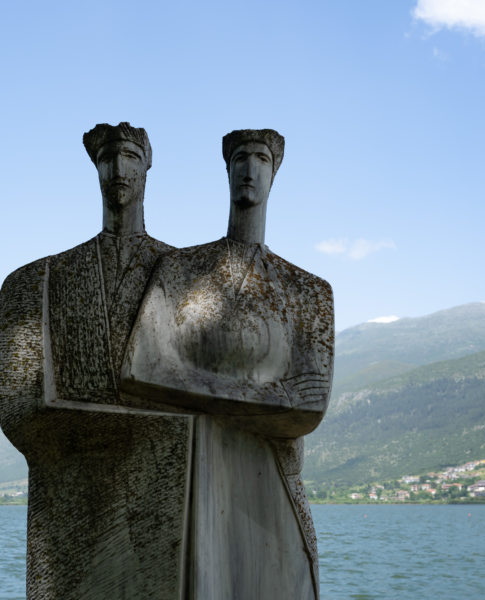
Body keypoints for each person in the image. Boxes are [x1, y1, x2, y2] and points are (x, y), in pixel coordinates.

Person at [122, 129, 334, 600]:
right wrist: (263, 395)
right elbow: (140, 368)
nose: (249, 169)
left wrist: (188, 382)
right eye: (240, 157)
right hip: (196, 474)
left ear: (274, 173)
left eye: (261, 158)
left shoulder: (307, 291)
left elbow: (309, 404)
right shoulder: (179, 270)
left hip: (273, 475)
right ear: (226, 168)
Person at [0, 123, 192, 599]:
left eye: (128, 155)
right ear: (95, 168)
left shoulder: (186, 277)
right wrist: (150, 424)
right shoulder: (38, 280)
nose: (118, 169)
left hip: (161, 509)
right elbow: (19, 413)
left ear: (147, 166)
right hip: (70, 508)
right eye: (107, 158)